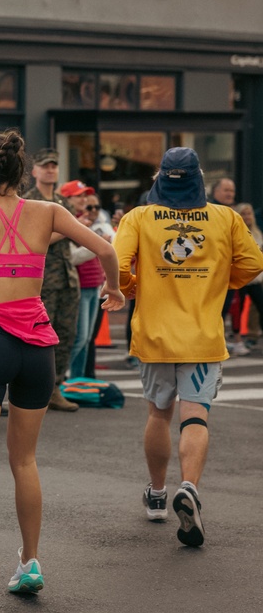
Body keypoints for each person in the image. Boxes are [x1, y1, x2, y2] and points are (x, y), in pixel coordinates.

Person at [0, 130, 123, 608]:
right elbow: (105, 250)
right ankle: (30, 563)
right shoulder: (50, 212)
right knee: (25, 461)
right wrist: (116, 292)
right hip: (36, 343)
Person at [115, 148, 263, 546]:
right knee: (195, 415)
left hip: (154, 335)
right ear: (199, 177)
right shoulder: (224, 217)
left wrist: (131, 288)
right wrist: (218, 282)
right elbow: (252, 264)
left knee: (159, 414)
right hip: (202, 336)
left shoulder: (140, 218)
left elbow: (117, 262)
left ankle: (158, 495)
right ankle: (190, 488)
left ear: (161, 178)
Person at [23, 149, 81, 411]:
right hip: (43, 280)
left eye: (54, 166)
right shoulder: (28, 202)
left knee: (66, 335)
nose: (50, 170)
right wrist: (61, 231)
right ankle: (34, 387)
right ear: (34, 171)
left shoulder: (62, 202)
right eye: (45, 166)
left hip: (68, 278)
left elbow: (75, 235)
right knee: (38, 337)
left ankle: (55, 387)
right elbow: (30, 241)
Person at [59, 181, 113, 380]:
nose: (84, 201)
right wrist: (99, 246)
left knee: (87, 338)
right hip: (78, 286)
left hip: (94, 286)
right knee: (79, 338)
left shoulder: (86, 222)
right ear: (67, 199)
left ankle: (79, 379)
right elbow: (73, 257)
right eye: (79, 196)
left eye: (86, 197)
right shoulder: (67, 222)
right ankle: (70, 380)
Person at [228, 202, 263, 355]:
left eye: (249, 214)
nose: (247, 216)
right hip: (240, 279)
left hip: (256, 279)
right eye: (244, 214)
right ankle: (237, 340)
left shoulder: (257, 232)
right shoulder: (234, 231)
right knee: (237, 310)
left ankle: (250, 336)